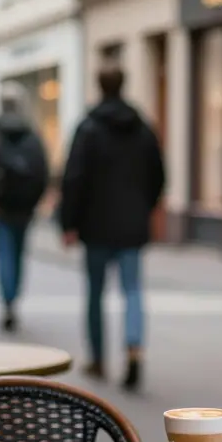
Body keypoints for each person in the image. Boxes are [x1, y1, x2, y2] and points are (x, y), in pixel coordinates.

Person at [59, 63, 165, 390]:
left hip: (96, 225)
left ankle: (98, 358)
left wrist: (69, 221)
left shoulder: (88, 128)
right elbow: (159, 176)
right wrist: (144, 208)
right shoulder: (142, 128)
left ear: (99, 85)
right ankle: (134, 351)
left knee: (95, 292)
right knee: (132, 290)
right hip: (132, 224)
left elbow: (74, 178)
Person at [0, 91, 49, 332]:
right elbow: (42, 171)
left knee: (4, 253)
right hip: (24, 208)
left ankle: (8, 302)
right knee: (18, 253)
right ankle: (14, 297)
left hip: (0, 207)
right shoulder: (32, 134)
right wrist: (34, 200)